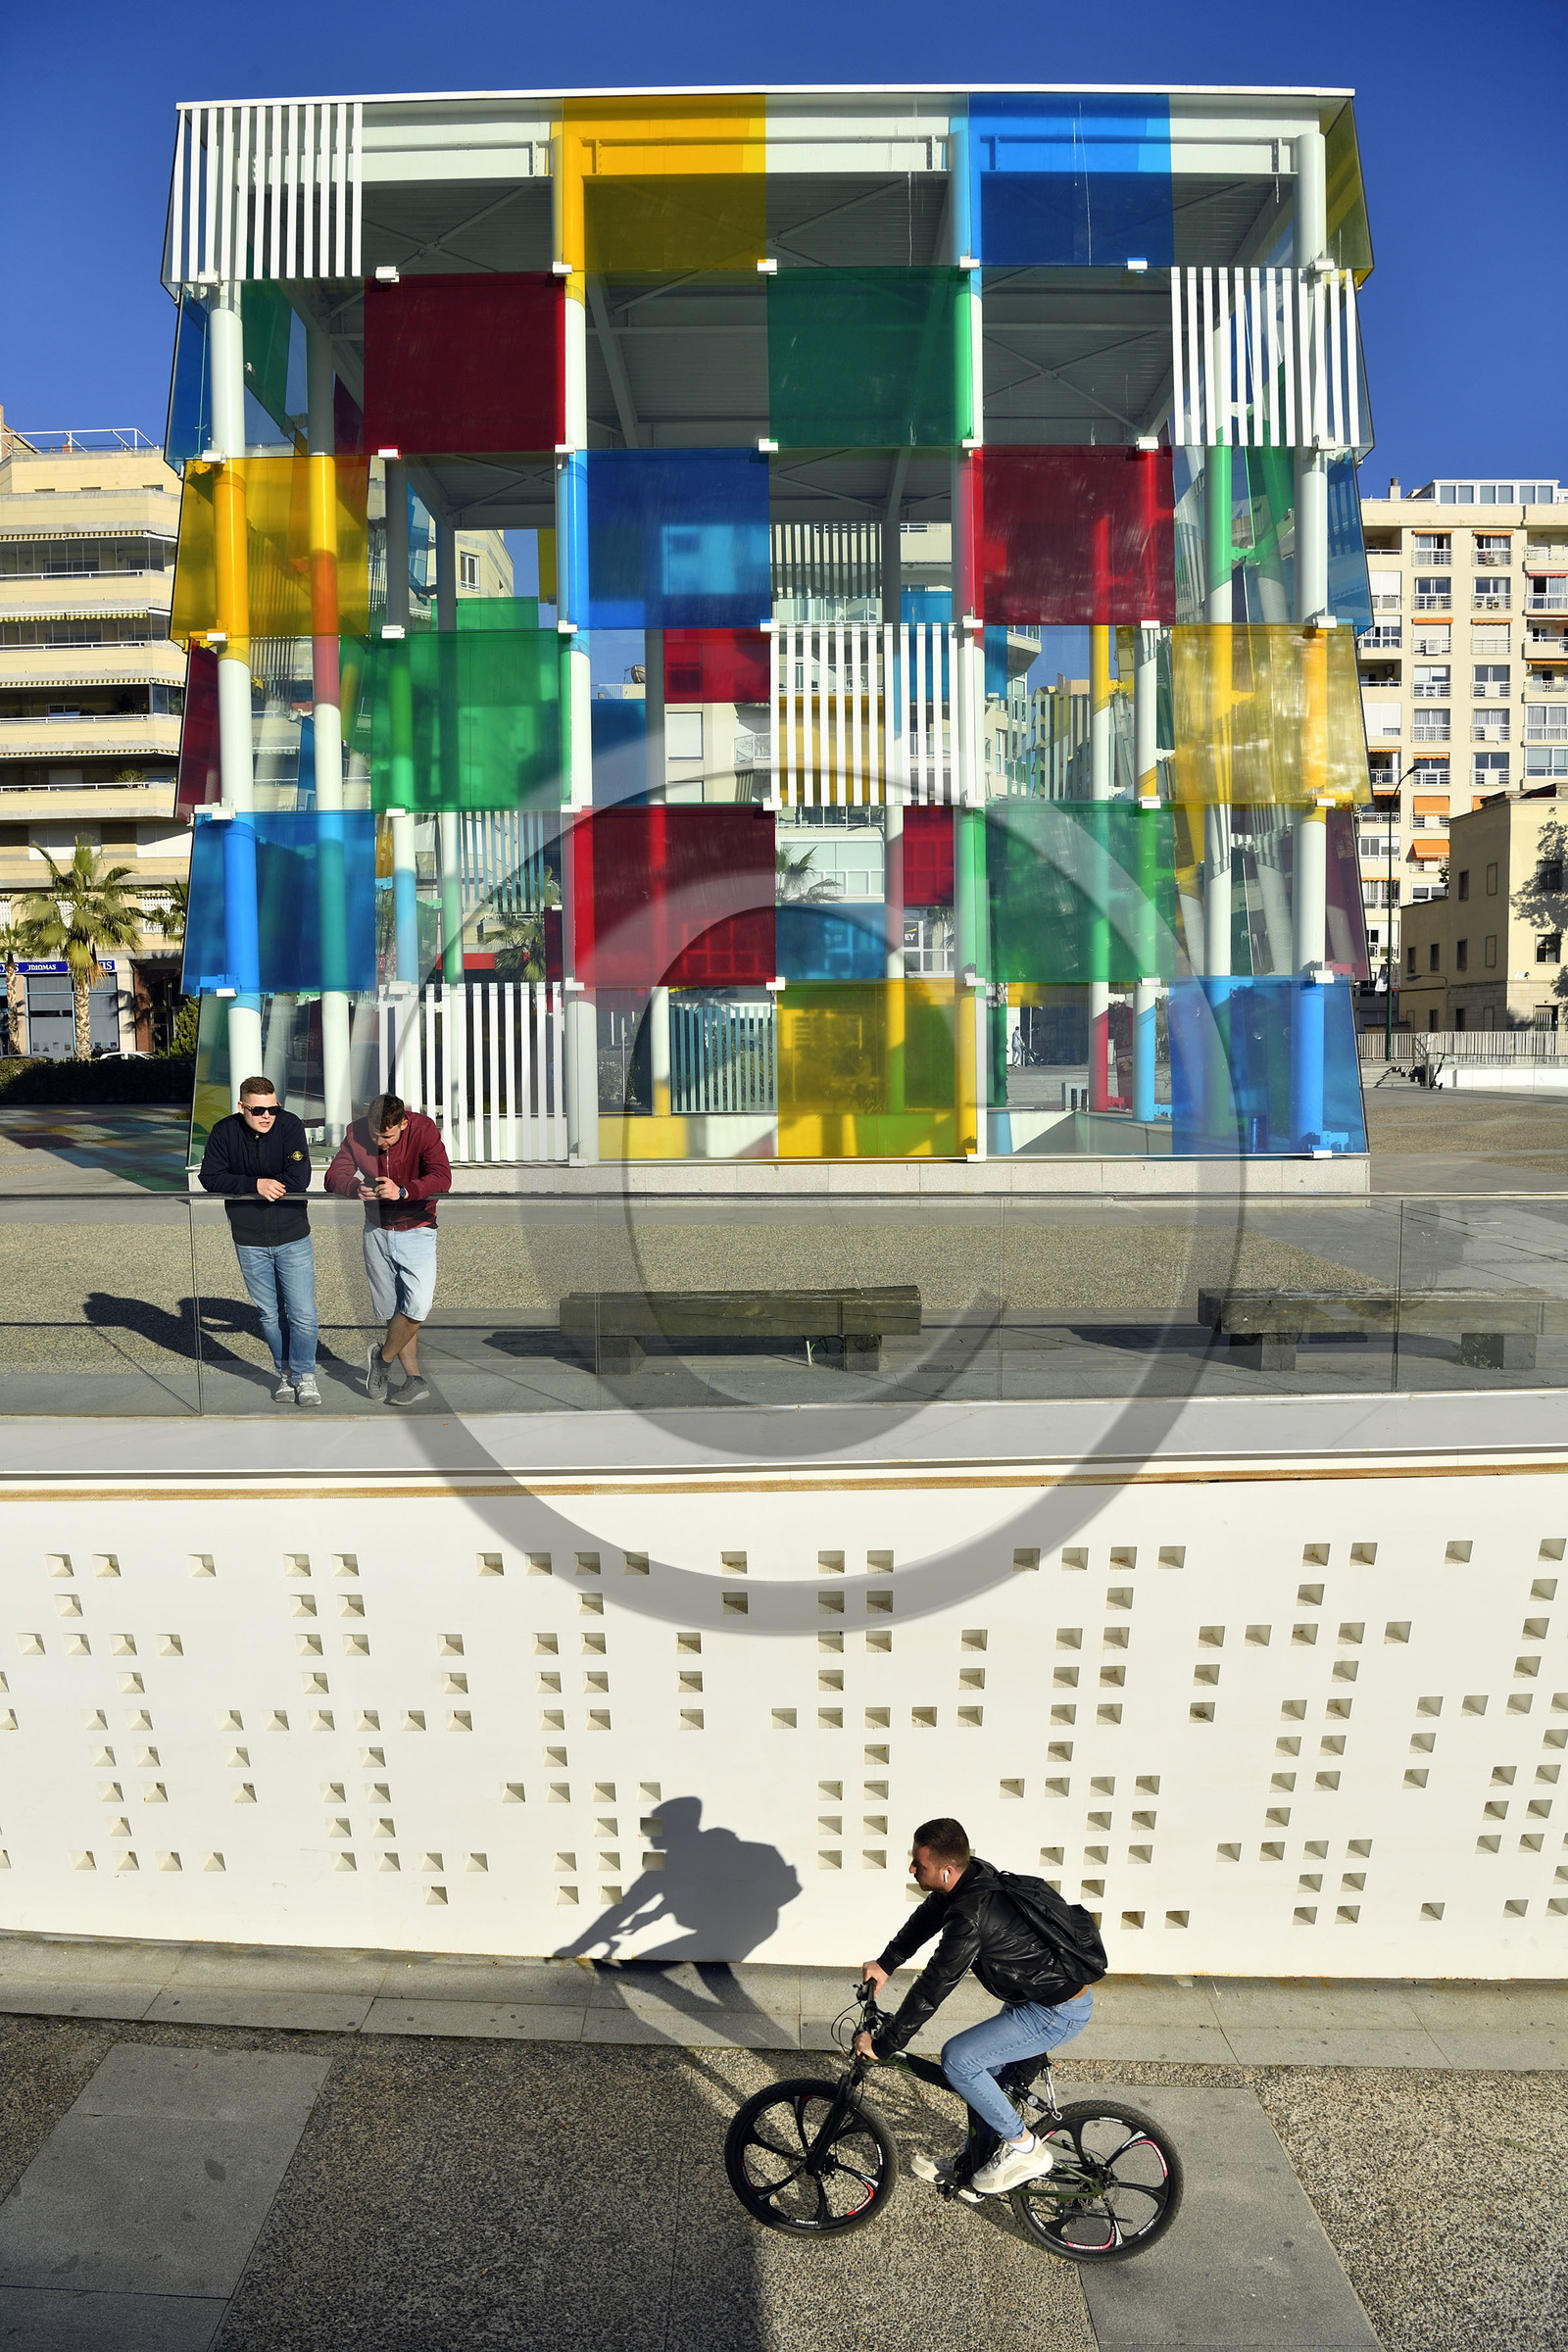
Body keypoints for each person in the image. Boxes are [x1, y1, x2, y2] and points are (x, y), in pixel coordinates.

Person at [854, 1816, 1095, 2195]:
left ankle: (1025, 2148)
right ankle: (976, 2161)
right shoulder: (971, 1878)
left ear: (948, 1870)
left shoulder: (970, 1916)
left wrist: (885, 2044)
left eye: (920, 1864)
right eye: (912, 1859)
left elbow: (934, 1985)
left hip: (1055, 2012)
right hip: (1034, 2000)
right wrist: (886, 1963)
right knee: (988, 2079)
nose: (912, 1868)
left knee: (959, 2059)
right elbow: (927, 1917)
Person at [198, 1074, 321, 1406]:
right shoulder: (225, 1131)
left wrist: (257, 1183)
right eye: (257, 1110)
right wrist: (256, 1185)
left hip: (293, 1234)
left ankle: (306, 1377)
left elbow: (300, 1178)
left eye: (273, 1109)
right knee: (269, 1314)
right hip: (249, 1238)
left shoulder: (290, 1125)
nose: (266, 1116)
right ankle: (285, 1375)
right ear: (242, 1107)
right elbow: (209, 1176)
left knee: (303, 1313)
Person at [324, 1091, 451, 1407]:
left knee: (417, 1307)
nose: (380, 1142)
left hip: (418, 1227)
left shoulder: (423, 1130)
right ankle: (414, 1380)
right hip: (376, 1230)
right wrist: (355, 1187)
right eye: (375, 1134)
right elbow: (333, 1175)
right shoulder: (355, 1133)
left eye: (388, 1136)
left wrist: (404, 1190)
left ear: (404, 1124)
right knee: (391, 1310)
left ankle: (381, 1360)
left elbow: (442, 1177)